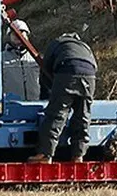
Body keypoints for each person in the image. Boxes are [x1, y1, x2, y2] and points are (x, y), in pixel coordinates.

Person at [29, 33, 97, 164]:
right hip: (90, 75)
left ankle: (45, 155)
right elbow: (94, 65)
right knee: (83, 115)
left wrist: (49, 93)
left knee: (57, 114)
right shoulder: (84, 46)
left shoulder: (57, 43)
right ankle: (78, 155)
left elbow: (45, 69)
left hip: (67, 70)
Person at [2, 19, 40, 101]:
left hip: (35, 105)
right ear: (9, 36)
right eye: (14, 33)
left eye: (22, 32)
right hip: (11, 107)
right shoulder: (1, 60)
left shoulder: (36, 59)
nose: (18, 36)